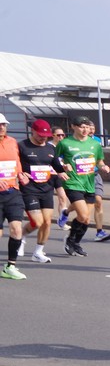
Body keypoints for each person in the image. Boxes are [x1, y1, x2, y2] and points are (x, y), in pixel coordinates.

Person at [54, 115, 110, 257]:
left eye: (87, 127)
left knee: (86, 219)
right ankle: (70, 239)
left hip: (89, 183)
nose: (85, 130)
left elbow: (99, 161)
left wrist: (103, 167)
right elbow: (55, 159)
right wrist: (63, 166)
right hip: (72, 183)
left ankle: (75, 242)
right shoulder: (65, 143)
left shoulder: (95, 144)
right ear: (73, 127)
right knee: (83, 214)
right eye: (81, 127)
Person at [18, 119, 61, 265]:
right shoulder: (22, 146)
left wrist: (64, 170)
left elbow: (56, 165)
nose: (43, 138)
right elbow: (15, 164)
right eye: (40, 135)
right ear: (33, 131)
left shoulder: (50, 148)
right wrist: (20, 173)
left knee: (47, 222)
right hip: (29, 189)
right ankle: (21, 236)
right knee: (37, 222)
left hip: (46, 188)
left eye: (46, 136)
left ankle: (38, 252)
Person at [0, 114, 30, 279]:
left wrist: (20, 174)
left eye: (4, 124)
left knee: (16, 229)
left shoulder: (12, 142)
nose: (1, 127)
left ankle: (10, 266)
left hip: (13, 192)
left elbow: (16, 163)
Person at [87, 120, 110, 242]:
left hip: (95, 175)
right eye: (88, 128)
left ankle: (99, 231)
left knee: (98, 201)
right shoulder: (72, 143)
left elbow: (99, 158)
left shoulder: (97, 141)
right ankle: (66, 213)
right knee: (83, 209)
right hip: (80, 177)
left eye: (93, 128)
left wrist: (103, 166)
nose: (91, 130)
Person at [50, 126, 70, 229]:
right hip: (48, 175)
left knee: (63, 197)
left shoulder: (64, 146)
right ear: (52, 135)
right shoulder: (49, 146)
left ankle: (62, 222)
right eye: (58, 135)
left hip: (59, 174)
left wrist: (65, 166)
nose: (61, 137)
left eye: (63, 135)